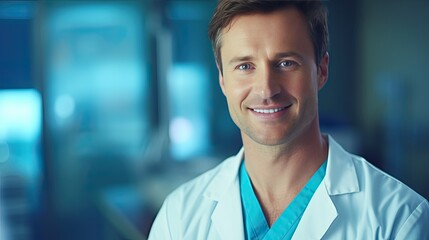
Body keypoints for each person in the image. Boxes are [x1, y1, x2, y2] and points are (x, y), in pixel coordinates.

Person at [148, 0, 429, 239]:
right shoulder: (179, 219)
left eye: (286, 63)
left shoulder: (398, 219)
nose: (266, 89)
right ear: (223, 80)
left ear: (321, 70)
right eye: (245, 66)